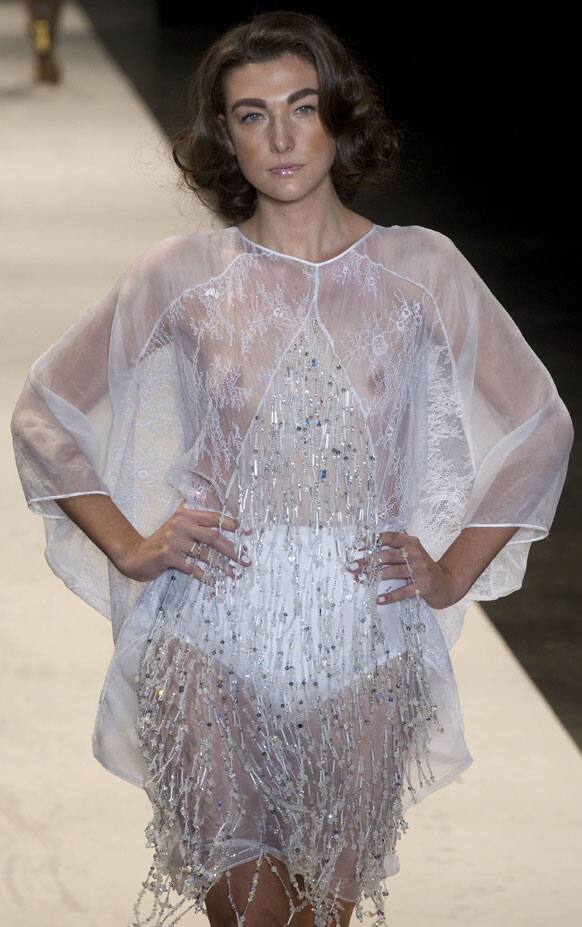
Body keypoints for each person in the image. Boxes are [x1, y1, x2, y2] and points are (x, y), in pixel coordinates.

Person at [10, 10, 574, 927]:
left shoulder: (420, 267)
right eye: (249, 115)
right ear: (221, 139)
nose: (279, 136)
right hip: (207, 633)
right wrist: (130, 545)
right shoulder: (182, 273)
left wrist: (450, 568)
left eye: (301, 107)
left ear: (338, 117)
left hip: (367, 637)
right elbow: (44, 411)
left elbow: (540, 423)